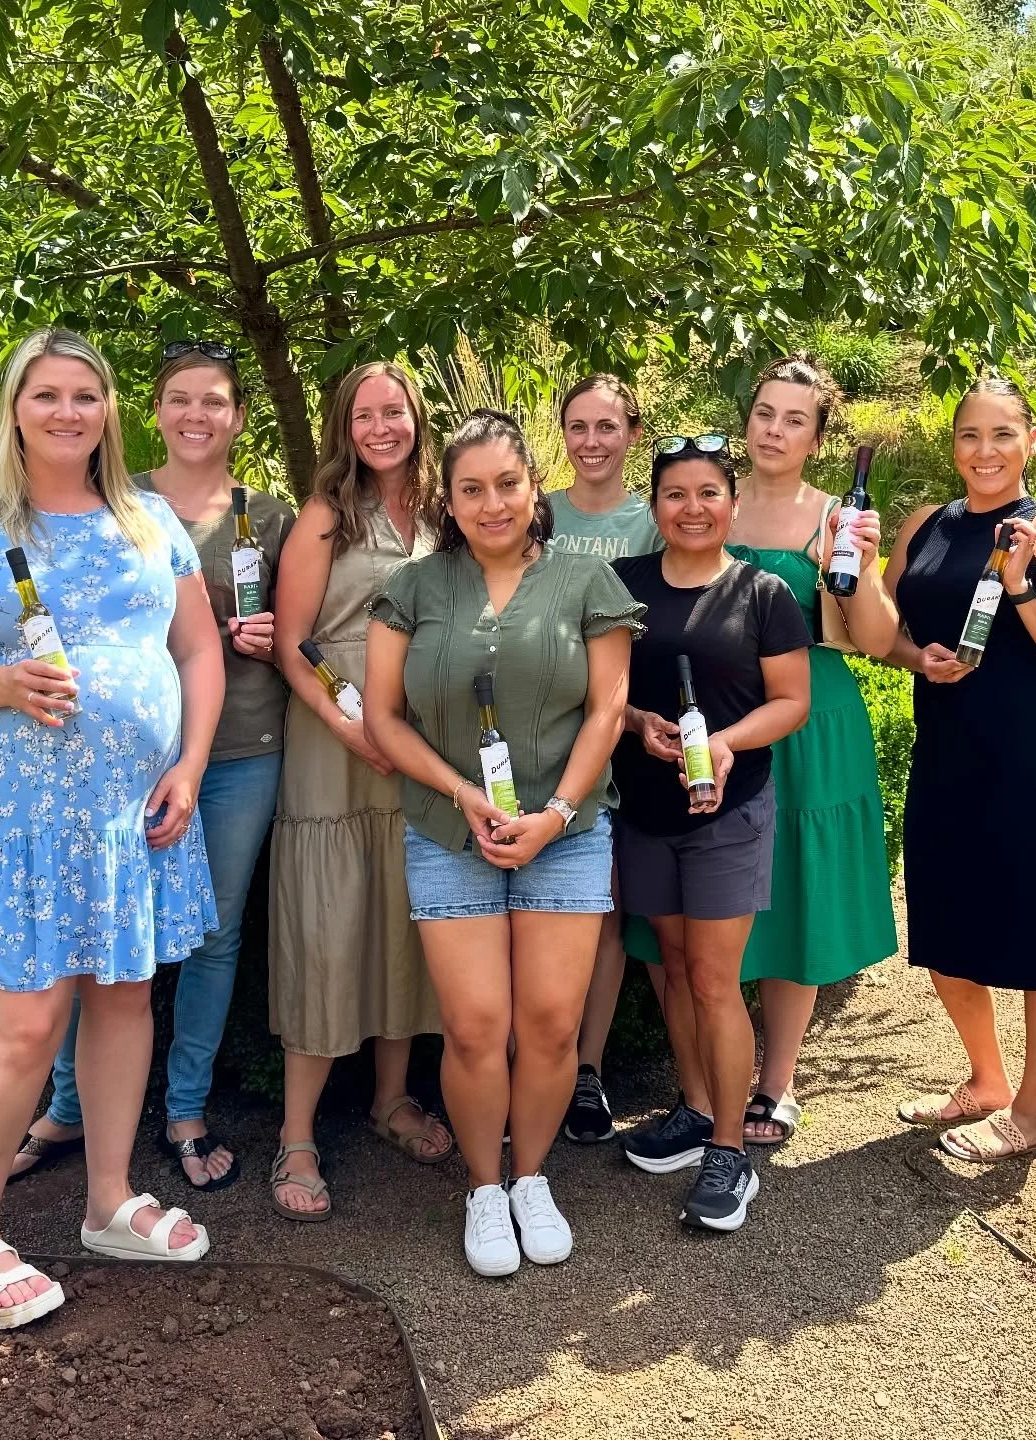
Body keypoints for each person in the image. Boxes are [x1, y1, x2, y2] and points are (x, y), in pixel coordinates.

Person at [0, 328, 222, 1329]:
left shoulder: (151, 518)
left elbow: (198, 652)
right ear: (15, 408)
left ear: (109, 410)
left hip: (137, 813)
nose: (69, 411)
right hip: (20, 820)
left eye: (86, 394)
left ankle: (109, 1200)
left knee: (124, 1001)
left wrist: (191, 765)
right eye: (47, 395)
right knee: (26, 1025)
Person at [364, 408, 643, 1276]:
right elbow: (381, 716)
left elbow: (606, 710)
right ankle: (484, 1190)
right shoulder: (412, 589)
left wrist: (555, 813)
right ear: (448, 499)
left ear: (535, 486)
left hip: (566, 832)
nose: (493, 504)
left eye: (508, 484)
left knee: (553, 1026)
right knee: (477, 1026)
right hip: (451, 832)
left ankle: (532, 1176)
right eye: (471, 489)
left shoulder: (587, 585)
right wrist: (461, 795)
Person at [12, 341, 295, 1193]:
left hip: (240, 749)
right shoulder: (108, 505)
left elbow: (309, 638)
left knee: (214, 937)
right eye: (179, 399)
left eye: (214, 401)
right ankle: (68, 1106)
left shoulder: (268, 517)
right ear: (155, 411)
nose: (196, 415)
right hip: (112, 767)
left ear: (238, 416)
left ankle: (185, 1107)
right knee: (90, 930)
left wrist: (272, 639)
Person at [884, 376, 1036, 1163]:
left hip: (1026, 763)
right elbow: (879, 625)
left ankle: (1033, 1112)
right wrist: (918, 655)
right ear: (954, 446)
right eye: (970, 435)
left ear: (1031, 442)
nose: (986, 451)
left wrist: (1022, 592)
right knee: (941, 926)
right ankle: (986, 1081)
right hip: (944, 753)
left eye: (1003, 434)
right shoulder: (927, 525)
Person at [268, 361, 453, 1222]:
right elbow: (291, 642)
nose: (382, 427)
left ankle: (389, 1100)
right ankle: (296, 1134)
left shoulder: (445, 509)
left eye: (396, 411)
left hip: (418, 737)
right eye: (365, 415)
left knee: (403, 916)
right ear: (344, 426)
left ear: (418, 416)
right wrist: (348, 726)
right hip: (334, 743)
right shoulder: (323, 517)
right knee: (329, 923)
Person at [613, 438, 811, 1230]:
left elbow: (790, 701)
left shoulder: (763, 592)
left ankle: (729, 1150)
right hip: (647, 811)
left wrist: (727, 742)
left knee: (713, 980)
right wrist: (635, 722)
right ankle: (695, 1109)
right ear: (654, 506)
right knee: (671, 965)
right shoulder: (623, 586)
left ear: (730, 502)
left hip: (727, 810)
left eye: (707, 493)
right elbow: (603, 691)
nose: (691, 508)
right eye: (674, 494)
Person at [721, 355, 901, 1145]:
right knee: (714, 897)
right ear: (747, 419)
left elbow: (875, 640)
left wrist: (858, 570)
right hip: (720, 720)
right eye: (765, 413)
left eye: (795, 419)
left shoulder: (837, 518)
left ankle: (777, 1079)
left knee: (790, 891)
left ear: (818, 437)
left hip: (810, 724)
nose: (775, 429)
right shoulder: (706, 502)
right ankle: (710, 1076)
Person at [548, 374, 665, 1145]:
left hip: (636, 726)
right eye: (578, 426)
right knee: (559, 907)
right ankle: (544, 1065)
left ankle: (586, 1070)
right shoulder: (537, 511)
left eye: (608, 426)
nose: (592, 441)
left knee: (610, 911)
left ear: (632, 433)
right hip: (552, 731)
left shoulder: (652, 523)